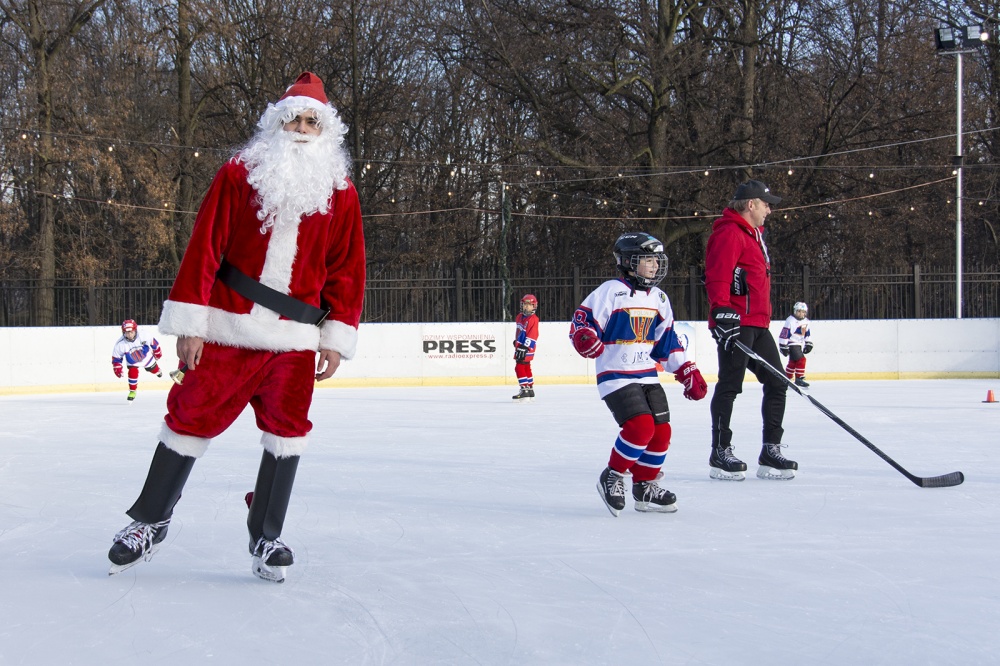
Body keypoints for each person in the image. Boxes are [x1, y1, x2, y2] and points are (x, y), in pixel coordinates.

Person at [107, 72, 366, 582]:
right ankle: (149, 521)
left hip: (294, 341)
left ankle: (266, 535)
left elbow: (347, 269)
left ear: (325, 131)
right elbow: (205, 246)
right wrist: (191, 322)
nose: (302, 127)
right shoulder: (238, 174)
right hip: (226, 329)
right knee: (187, 418)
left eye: (312, 120)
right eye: (293, 117)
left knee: (287, 435)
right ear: (276, 121)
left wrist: (336, 334)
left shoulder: (342, 194)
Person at [570, 232, 708, 516]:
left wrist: (686, 369)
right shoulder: (611, 291)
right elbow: (582, 321)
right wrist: (585, 336)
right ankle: (613, 475)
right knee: (640, 428)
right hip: (615, 375)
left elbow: (666, 341)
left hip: (646, 375)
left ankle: (645, 486)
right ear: (629, 262)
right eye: (648, 260)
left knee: (661, 432)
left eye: (657, 260)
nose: (655, 266)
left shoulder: (659, 298)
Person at [705, 180, 797, 481]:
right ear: (750, 204)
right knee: (730, 384)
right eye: (766, 203)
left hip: (758, 323)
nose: (770, 209)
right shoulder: (730, 233)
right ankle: (720, 451)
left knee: (777, 382)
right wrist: (720, 311)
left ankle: (770, 450)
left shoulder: (754, 235)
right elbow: (718, 274)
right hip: (736, 324)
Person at [111, 319, 163, 401]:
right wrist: (117, 368)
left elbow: (154, 343)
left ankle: (158, 371)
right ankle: (132, 391)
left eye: (131, 332)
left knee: (153, 369)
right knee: (132, 372)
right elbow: (116, 358)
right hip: (132, 361)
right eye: (127, 333)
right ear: (123, 332)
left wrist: (157, 352)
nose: (130, 335)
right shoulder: (120, 344)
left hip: (146, 358)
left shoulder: (144, 335)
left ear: (135, 330)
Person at [779, 302, 813, 387]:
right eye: (799, 311)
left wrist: (808, 343)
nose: (801, 314)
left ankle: (786, 377)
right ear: (795, 311)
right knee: (801, 360)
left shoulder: (806, 321)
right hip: (791, 344)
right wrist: (783, 345)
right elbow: (784, 334)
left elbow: (807, 333)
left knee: (793, 362)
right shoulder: (791, 321)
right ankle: (799, 378)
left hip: (799, 344)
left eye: (803, 312)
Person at [512, 293, 539, 401]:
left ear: (534, 306)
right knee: (526, 366)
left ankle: (524, 389)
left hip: (527, 347)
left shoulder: (533, 319)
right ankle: (530, 388)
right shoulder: (519, 317)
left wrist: (525, 346)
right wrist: (517, 342)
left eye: (529, 305)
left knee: (519, 367)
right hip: (520, 346)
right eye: (524, 304)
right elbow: (520, 332)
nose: (526, 307)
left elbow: (533, 334)